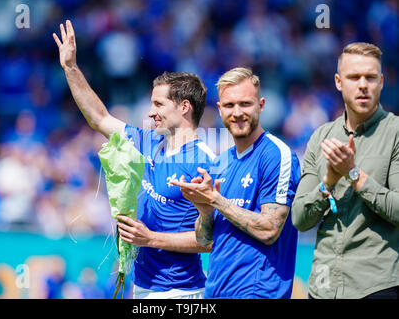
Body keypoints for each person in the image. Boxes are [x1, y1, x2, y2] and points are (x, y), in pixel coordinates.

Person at [53, 20, 216, 299]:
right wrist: (71, 68)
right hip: (142, 287)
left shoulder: (205, 163)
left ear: (184, 107)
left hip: (180, 292)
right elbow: (99, 118)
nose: (151, 111)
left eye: (159, 104)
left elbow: (209, 241)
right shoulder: (148, 142)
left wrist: (150, 239)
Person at [171, 67, 301, 299]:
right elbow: (204, 240)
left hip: (259, 293)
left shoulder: (276, 155)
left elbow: (270, 229)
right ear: (220, 110)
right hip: (216, 292)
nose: (237, 112)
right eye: (229, 105)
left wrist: (217, 200)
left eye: (245, 104)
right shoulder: (220, 162)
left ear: (261, 105)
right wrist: (205, 210)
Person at [291, 42, 399, 299]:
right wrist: (328, 181)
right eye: (354, 77)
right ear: (339, 82)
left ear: (381, 82)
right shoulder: (321, 136)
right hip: (322, 287)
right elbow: (299, 217)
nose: (363, 85)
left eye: (371, 77)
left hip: (376, 286)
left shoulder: (395, 133)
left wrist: (354, 175)